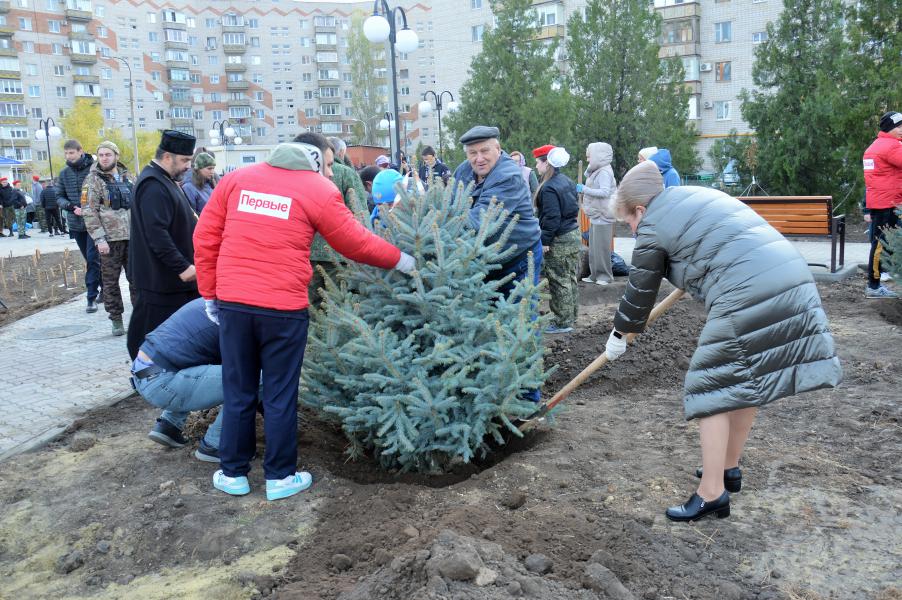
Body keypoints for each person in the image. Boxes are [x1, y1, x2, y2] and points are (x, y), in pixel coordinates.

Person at [605, 160, 842, 522]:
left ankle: (711, 493)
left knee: (709, 384)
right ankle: (728, 469)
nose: (633, 229)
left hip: (749, 291)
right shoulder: (694, 195)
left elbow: (639, 294)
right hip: (791, 275)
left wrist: (619, 334)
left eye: (629, 222)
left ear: (640, 209)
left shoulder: (652, 225)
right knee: (742, 380)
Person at [193, 132, 416, 501]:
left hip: (234, 304)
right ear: (314, 161)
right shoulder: (316, 189)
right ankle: (280, 477)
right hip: (283, 309)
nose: (330, 172)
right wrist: (402, 260)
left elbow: (206, 237)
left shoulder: (235, 180)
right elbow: (353, 241)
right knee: (280, 392)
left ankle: (232, 472)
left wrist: (210, 293)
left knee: (238, 390)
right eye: (327, 165)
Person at [127, 130, 199, 360]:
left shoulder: (165, 180)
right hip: (160, 280)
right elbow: (156, 234)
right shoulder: (153, 184)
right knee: (145, 333)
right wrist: (183, 267)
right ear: (167, 156)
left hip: (171, 281)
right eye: (185, 160)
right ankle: (143, 377)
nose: (189, 166)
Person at [452, 126, 543, 300]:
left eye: (484, 151)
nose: (479, 159)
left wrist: (443, 221)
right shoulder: (463, 170)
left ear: (498, 149)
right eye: (472, 153)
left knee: (521, 314)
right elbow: (448, 199)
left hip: (520, 257)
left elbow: (481, 219)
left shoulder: (508, 175)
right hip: (486, 260)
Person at [132, 297, 225, 462]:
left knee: (199, 360)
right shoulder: (234, 316)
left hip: (144, 372)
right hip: (161, 382)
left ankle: (169, 425)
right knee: (253, 379)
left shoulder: (210, 301)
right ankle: (216, 444)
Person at [81, 141, 136, 336]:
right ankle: (116, 319)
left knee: (136, 279)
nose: (104, 158)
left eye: (108, 154)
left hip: (132, 237)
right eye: (101, 155)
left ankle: (139, 317)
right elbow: (89, 211)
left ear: (116, 156)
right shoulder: (92, 180)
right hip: (109, 240)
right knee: (111, 282)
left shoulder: (127, 177)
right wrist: (99, 239)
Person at [309, 137, 368, 306]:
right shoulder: (346, 173)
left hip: (306, 254)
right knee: (337, 305)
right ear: (340, 152)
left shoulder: (302, 172)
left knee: (310, 306)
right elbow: (360, 213)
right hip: (338, 256)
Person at [533, 145, 580, 334]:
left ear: (546, 162)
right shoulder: (566, 181)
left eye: (538, 162)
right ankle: (571, 315)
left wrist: (545, 241)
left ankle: (562, 322)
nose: (536, 166)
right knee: (569, 278)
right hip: (572, 235)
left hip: (559, 239)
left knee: (558, 280)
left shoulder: (549, 187)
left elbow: (552, 218)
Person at [57, 139, 102, 311]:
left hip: (95, 223)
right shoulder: (64, 174)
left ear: (80, 151)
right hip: (76, 224)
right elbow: (59, 196)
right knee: (91, 260)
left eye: (72, 153)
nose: (69, 156)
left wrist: (90, 208)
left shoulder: (94, 170)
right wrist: (70, 207)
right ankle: (104, 289)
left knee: (92, 259)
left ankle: (91, 297)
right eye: (66, 153)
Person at [862, 110, 902, 299]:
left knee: (880, 244)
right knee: (880, 245)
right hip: (889, 203)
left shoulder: (875, 146)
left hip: (881, 202)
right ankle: (874, 286)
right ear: (889, 129)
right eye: (899, 127)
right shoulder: (891, 147)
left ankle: (875, 283)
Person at [577, 142, 617, 286]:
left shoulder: (604, 172)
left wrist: (584, 189)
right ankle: (594, 275)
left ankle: (605, 276)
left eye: (589, 157)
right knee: (594, 247)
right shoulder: (596, 170)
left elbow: (605, 192)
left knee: (601, 249)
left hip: (603, 215)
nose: (588, 160)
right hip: (596, 215)